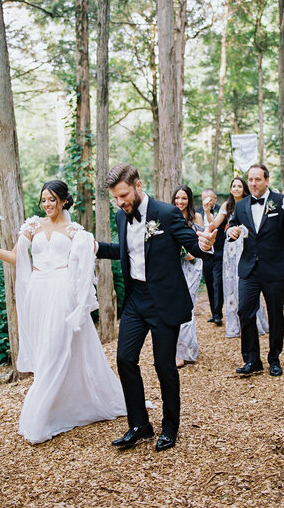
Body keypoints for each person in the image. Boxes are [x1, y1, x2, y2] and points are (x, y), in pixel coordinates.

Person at [0, 180, 127, 444]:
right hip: (38, 293)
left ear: (64, 200)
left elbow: (83, 266)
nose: (47, 205)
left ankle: (40, 416)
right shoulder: (33, 225)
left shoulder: (75, 231)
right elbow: (15, 257)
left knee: (57, 349)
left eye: (52, 199)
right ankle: (60, 407)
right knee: (46, 351)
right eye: (44, 199)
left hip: (63, 293)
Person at [96, 164, 216, 452]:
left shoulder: (167, 213)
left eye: (123, 195)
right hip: (136, 299)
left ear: (138, 186)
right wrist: (91, 246)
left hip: (163, 299)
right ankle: (139, 424)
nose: (120, 202)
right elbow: (124, 250)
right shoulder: (121, 216)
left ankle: (170, 427)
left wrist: (207, 243)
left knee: (164, 365)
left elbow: (194, 246)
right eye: (115, 198)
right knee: (125, 359)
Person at [226, 164, 284, 377]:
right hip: (249, 268)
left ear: (267, 180)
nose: (253, 183)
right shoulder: (241, 206)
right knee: (244, 312)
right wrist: (231, 232)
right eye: (250, 179)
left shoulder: (281, 201)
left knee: (275, 314)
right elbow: (234, 227)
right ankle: (252, 360)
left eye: (257, 179)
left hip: (275, 268)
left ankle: (274, 358)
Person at [208, 177, 269, 338]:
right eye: (233, 186)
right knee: (231, 283)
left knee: (248, 282)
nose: (236, 189)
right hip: (231, 248)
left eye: (239, 186)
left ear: (244, 188)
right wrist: (207, 212)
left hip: (247, 246)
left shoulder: (250, 202)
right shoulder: (226, 206)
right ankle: (235, 325)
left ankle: (255, 321)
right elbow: (213, 225)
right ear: (230, 189)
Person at [172, 185, 203, 368]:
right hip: (175, 266)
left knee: (187, 306)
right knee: (176, 306)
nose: (180, 202)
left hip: (193, 265)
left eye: (183, 198)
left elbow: (202, 242)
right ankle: (187, 347)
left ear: (189, 200)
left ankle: (184, 353)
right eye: (177, 198)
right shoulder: (170, 216)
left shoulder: (196, 217)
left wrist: (191, 253)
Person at [197, 188, 225, 326]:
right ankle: (213, 312)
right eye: (204, 199)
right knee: (209, 282)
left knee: (217, 283)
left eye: (209, 198)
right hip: (205, 255)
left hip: (219, 252)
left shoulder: (222, 211)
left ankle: (218, 313)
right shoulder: (198, 212)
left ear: (215, 198)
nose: (206, 201)